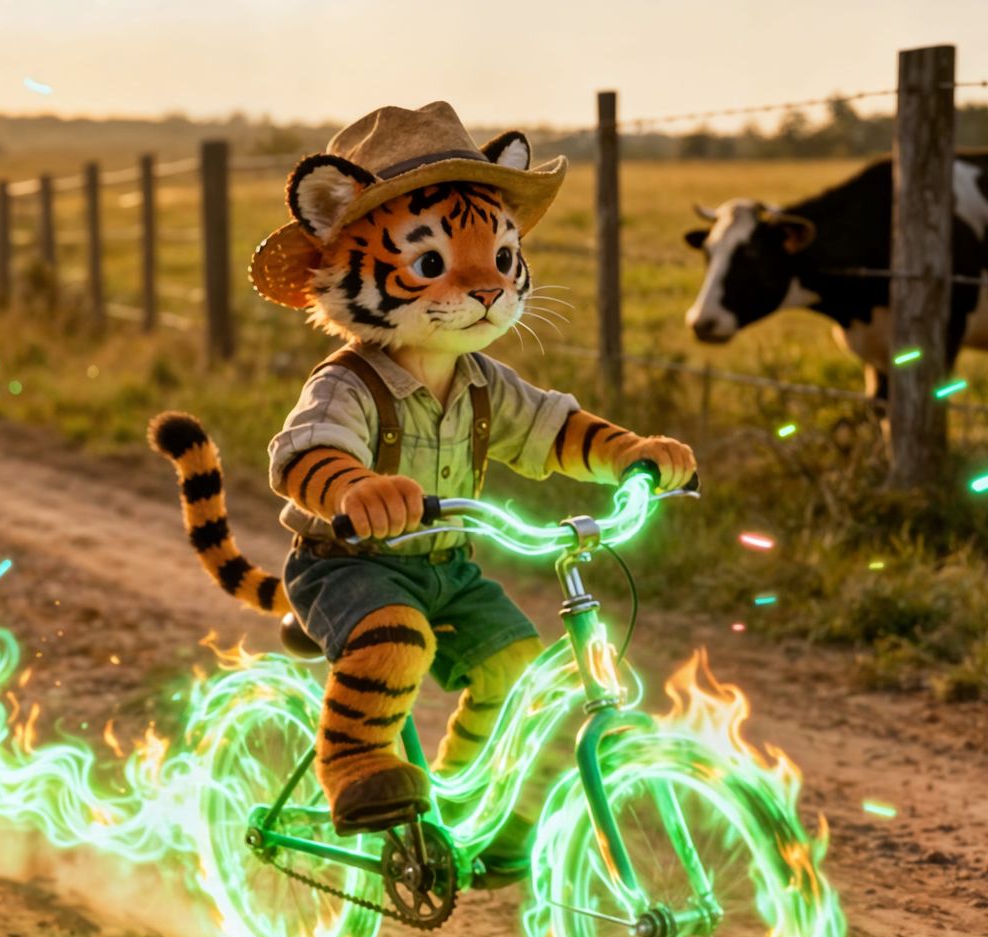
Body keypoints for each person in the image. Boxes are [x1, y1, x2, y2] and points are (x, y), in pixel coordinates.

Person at [149, 101, 694, 874]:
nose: (484, 289)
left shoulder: (482, 380)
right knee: (396, 639)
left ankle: (472, 802)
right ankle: (355, 763)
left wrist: (631, 455)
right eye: (431, 264)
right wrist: (353, 488)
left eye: (500, 258)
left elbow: (552, 429)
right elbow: (303, 456)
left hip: (447, 566)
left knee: (519, 664)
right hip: (348, 566)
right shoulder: (348, 383)